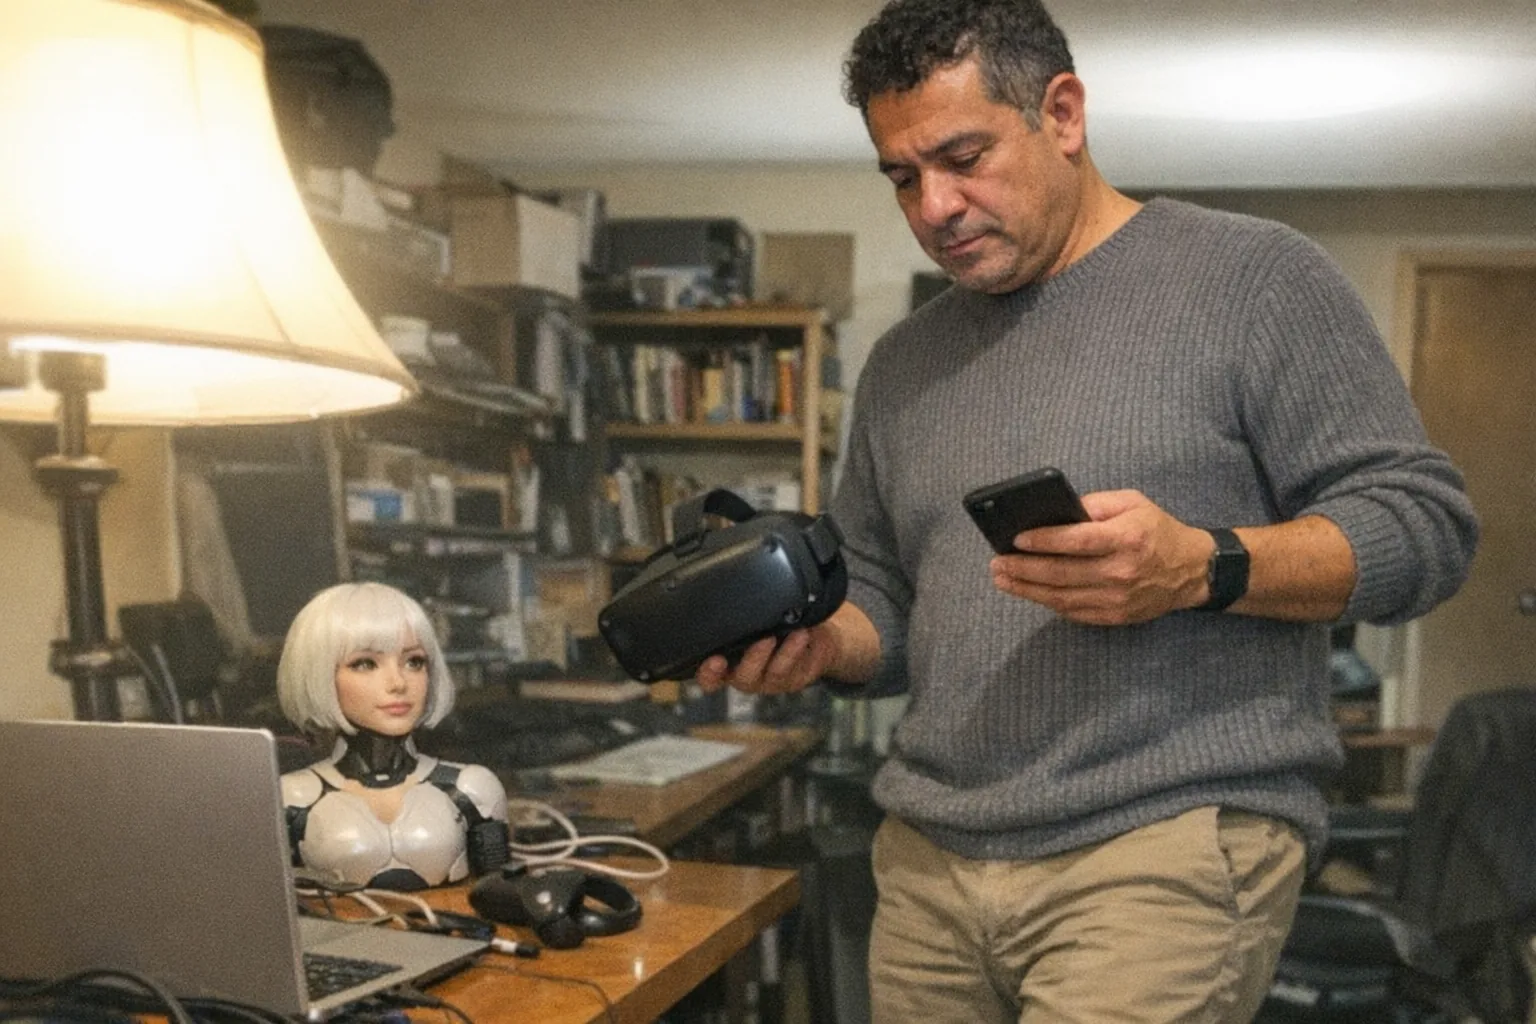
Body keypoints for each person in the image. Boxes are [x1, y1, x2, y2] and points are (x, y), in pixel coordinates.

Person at [694, 0, 1480, 1020]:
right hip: (931, 860)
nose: (934, 204)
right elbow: (887, 601)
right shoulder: (903, 362)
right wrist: (816, 640)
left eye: (962, 155)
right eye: (901, 175)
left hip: (1161, 846)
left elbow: (1425, 526)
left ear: (1061, 113)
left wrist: (1203, 563)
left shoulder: (1254, 278)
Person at [276, 581, 510, 891]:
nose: (398, 682)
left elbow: (501, 895)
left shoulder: (472, 791)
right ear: (317, 674)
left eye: (414, 662)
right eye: (365, 664)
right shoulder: (290, 801)